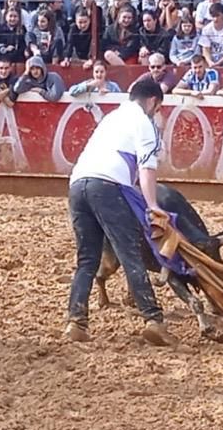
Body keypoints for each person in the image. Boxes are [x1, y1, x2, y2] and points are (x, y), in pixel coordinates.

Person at [64, 76, 174, 348]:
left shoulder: (112, 118)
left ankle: (76, 321)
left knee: (87, 259)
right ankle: (154, 320)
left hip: (78, 184)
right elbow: (147, 168)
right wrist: (153, 206)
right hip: (108, 186)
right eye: (157, 108)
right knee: (129, 253)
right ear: (152, 101)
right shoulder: (144, 123)